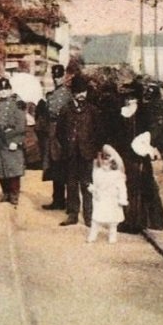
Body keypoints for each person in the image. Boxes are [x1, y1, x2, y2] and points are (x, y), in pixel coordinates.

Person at [114, 87, 163, 233]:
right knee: (126, 186)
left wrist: (149, 144)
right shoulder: (120, 113)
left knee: (140, 186)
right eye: (127, 97)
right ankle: (129, 220)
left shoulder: (143, 112)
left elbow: (153, 131)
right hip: (125, 154)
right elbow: (117, 135)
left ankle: (138, 222)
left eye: (132, 97)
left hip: (139, 155)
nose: (129, 100)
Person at [57, 75, 100, 227]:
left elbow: (97, 132)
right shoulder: (65, 110)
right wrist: (68, 145)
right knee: (71, 184)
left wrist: (93, 149)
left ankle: (89, 216)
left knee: (87, 184)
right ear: (73, 93)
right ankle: (73, 214)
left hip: (86, 153)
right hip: (70, 153)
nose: (82, 95)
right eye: (79, 92)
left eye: (84, 92)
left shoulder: (93, 110)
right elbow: (60, 132)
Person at [0, 77, 26, 206]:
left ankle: (14, 194)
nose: (3, 92)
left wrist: (17, 141)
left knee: (13, 169)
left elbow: (21, 126)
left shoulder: (16, 105)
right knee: (0, 168)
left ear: (10, 90)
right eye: (0, 90)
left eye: (5, 89)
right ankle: (6, 193)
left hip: (11, 140)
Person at [42, 64, 72, 210]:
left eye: (59, 76)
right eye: (54, 76)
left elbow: (56, 111)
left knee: (62, 166)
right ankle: (57, 200)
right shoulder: (53, 93)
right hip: (52, 132)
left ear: (64, 76)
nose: (56, 79)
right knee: (55, 167)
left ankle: (66, 201)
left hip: (62, 132)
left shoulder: (65, 93)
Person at [87, 145, 128, 243]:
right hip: (101, 199)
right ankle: (93, 235)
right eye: (103, 163)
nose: (105, 165)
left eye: (107, 164)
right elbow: (96, 185)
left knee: (113, 220)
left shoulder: (117, 175)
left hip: (112, 199)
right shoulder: (98, 173)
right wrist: (93, 189)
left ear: (112, 164)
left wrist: (122, 198)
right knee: (96, 218)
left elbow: (122, 188)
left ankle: (112, 235)